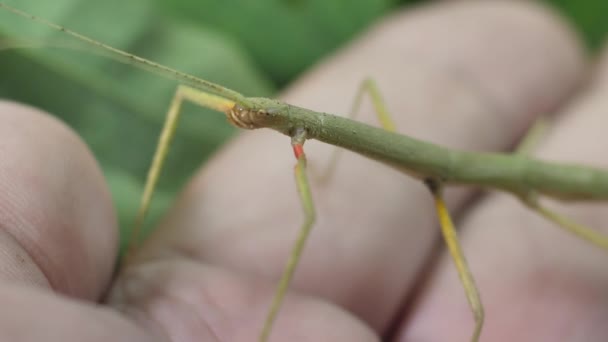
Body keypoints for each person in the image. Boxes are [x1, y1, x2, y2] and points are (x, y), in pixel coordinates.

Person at [0, 1, 607, 341]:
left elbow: (307, 222)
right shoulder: (292, 126)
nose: (249, 116)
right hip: (470, 169)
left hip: (523, 181)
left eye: (258, 116)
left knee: (475, 312)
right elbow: (188, 100)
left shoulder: (303, 129)